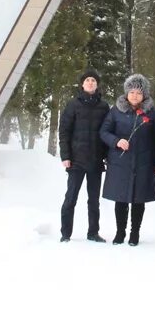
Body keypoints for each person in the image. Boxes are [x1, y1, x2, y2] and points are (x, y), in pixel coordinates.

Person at [99, 73, 155, 246]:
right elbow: (104, 132)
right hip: (120, 162)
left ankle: (134, 232)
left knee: (138, 199)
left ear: (144, 95)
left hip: (143, 161)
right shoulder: (116, 111)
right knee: (120, 199)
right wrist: (116, 141)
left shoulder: (151, 112)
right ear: (127, 93)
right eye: (132, 92)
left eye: (139, 92)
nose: (135, 95)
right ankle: (120, 232)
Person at [57, 69, 110, 243]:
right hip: (76, 161)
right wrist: (65, 156)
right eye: (87, 80)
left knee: (94, 200)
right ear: (82, 84)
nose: (90, 83)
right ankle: (65, 233)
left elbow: (107, 132)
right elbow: (64, 131)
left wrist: (107, 156)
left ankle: (93, 232)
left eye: (93, 80)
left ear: (97, 84)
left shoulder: (103, 106)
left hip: (95, 161)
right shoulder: (73, 104)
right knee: (70, 198)